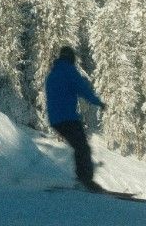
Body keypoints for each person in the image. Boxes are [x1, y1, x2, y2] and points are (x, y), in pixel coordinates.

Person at [45, 45, 106, 191]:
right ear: (71, 58)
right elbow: (83, 89)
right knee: (82, 148)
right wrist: (98, 102)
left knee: (79, 147)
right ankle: (85, 180)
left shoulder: (52, 74)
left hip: (55, 120)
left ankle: (82, 179)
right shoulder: (69, 71)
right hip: (68, 118)